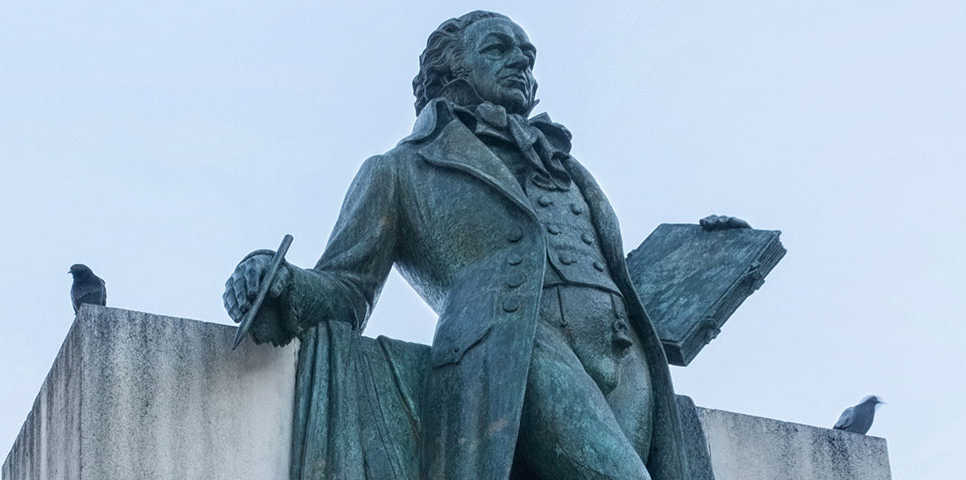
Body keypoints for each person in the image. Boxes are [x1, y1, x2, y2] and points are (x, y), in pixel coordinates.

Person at [223, 11, 700, 480]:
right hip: (517, 347)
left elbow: (614, 273)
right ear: (451, 69)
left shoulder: (567, 167)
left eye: (527, 55)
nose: (521, 63)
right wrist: (280, 277)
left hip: (626, 352)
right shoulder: (399, 170)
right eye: (498, 49)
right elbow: (347, 288)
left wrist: (699, 254)